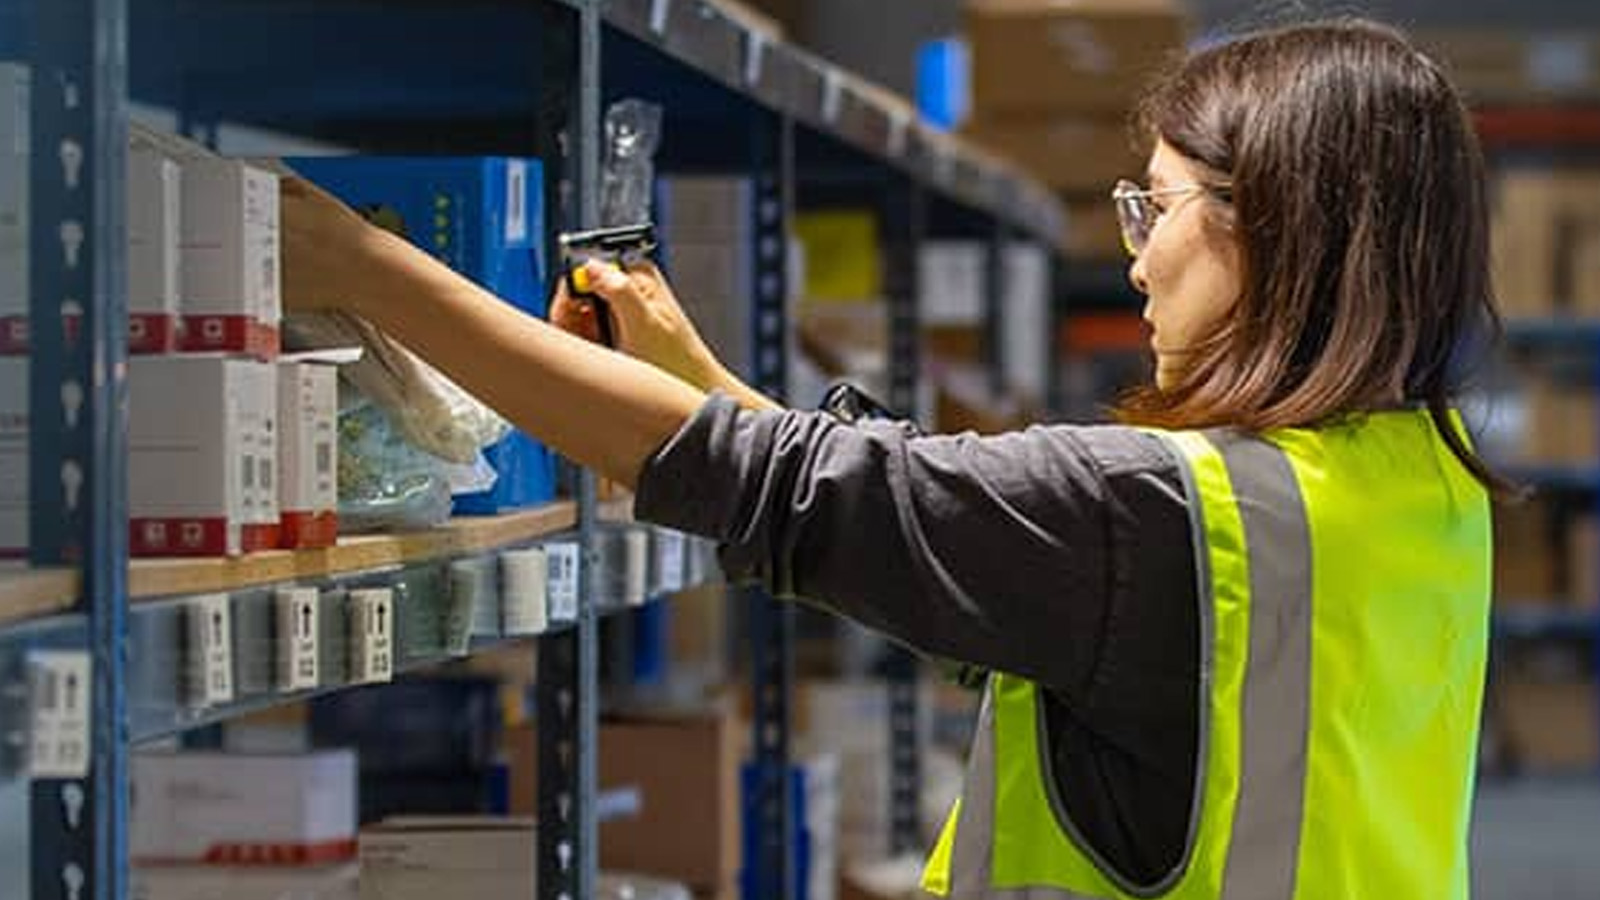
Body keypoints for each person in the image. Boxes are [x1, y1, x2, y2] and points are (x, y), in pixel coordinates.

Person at [281, 17, 1503, 899]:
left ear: (1272, 231)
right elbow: (910, 528)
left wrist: (363, 273)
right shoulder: (1421, 489)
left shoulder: (1165, 514)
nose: (1135, 257)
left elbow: (791, 494)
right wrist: (703, 387)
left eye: (1156, 206)